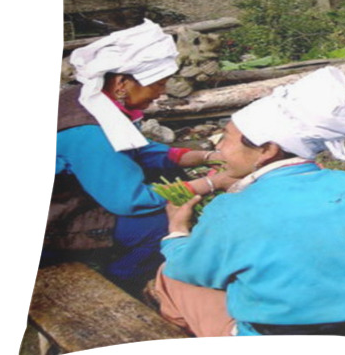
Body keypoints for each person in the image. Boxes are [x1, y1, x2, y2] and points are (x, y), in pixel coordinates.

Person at [153, 66, 345, 338]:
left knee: (169, 275)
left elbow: (191, 269)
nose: (219, 147)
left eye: (225, 137)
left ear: (267, 150)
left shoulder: (231, 207)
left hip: (289, 338)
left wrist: (176, 231)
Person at [49, 19, 233, 293]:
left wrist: (204, 156)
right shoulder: (87, 132)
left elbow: (135, 147)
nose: (161, 94)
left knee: (169, 174)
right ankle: (123, 284)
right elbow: (131, 201)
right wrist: (211, 184)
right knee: (158, 222)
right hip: (54, 220)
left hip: (73, 194)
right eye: (157, 84)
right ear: (122, 83)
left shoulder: (89, 98)